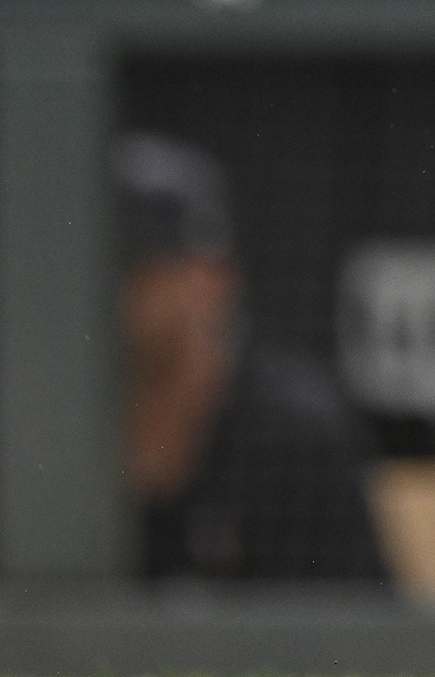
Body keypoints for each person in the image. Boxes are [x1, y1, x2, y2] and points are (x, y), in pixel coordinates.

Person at [117, 132, 389, 584]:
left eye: (139, 268)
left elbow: (364, 642)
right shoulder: (50, 436)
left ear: (212, 277)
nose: (115, 294)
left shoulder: (294, 437)